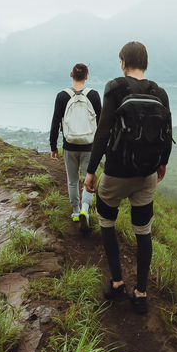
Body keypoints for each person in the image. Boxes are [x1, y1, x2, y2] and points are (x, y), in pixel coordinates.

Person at [84, 42, 172, 314]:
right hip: (147, 174)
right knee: (143, 231)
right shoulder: (160, 92)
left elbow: (103, 132)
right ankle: (141, 294)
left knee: (106, 220)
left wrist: (91, 170)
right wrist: (162, 163)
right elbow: (167, 132)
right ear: (145, 63)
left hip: (117, 172)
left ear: (123, 62)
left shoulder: (116, 88)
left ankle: (118, 284)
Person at [49, 63, 102, 231]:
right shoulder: (93, 95)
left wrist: (53, 146)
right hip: (89, 146)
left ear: (71, 74)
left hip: (69, 145)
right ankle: (85, 210)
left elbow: (55, 122)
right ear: (87, 76)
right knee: (89, 178)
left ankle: (75, 211)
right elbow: (101, 124)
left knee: (72, 180)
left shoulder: (62, 96)